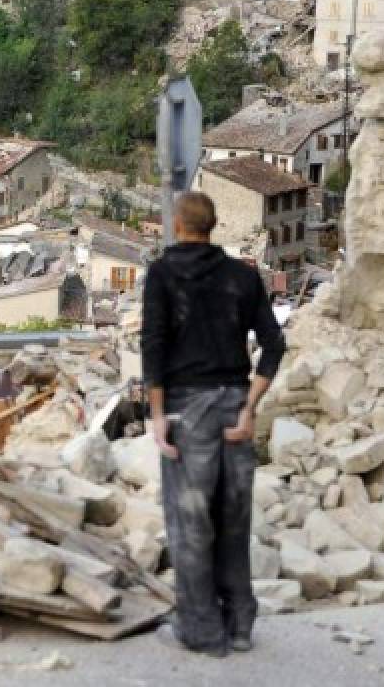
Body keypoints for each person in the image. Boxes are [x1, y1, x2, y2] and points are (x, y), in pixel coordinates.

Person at [141, 191, 286, 657]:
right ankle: (240, 623)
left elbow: (154, 346)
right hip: (234, 406)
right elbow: (273, 343)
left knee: (191, 524)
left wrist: (158, 416)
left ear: (179, 225)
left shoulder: (163, 275)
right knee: (233, 519)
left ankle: (202, 629)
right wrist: (251, 406)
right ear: (214, 225)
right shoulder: (243, 277)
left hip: (188, 409)